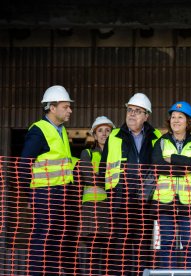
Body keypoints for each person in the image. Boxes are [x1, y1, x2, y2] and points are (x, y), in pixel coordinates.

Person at [100, 93, 161, 275]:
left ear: (146, 116)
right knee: (121, 246)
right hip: (121, 200)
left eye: (137, 111)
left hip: (145, 200)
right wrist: (111, 193)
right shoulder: (115, 136)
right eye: (129, 110)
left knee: (143, 244)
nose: (132, 114)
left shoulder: (156, 136)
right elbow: (103, 168)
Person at [21, 85, 79, 275]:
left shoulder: (61, 130)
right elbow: (23, 165)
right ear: (52, 108)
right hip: (45, 193)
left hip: (61, 194)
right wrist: (29, 195)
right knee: (43, 237)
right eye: (65, 106)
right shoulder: (39, 130)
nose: (70, 110)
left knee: (56, 238)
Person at [151, 101, 191, 269]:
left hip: (189, 201)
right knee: (167, 242)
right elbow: (157, 165)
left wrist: (173, 159)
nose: (175, 120)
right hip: (164, 201)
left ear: (188, 122)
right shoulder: (161, 142)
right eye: (173, 117)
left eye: (180, 117)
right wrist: (185, 168)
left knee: (190, 243)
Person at [79, 116, 115, 274]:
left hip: (111, 211)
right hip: (91, 211)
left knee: (109, 255)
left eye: (108, 130)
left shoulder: (116, 155)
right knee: (92, 253)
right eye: (100, 131)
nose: (104, 134)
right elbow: (89, 177)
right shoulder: (87, 153)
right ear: (94, 135)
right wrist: (109, 177)